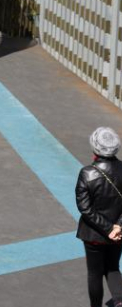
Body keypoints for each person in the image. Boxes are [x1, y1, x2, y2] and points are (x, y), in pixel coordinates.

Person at [76, 127, 122, 307]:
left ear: (95, 147)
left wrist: (107, 228)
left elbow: (85, 208)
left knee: (94, 273)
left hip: (94, 234)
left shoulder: (87, 173)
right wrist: (118, 226)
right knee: (112, 267)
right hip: (119, 233)